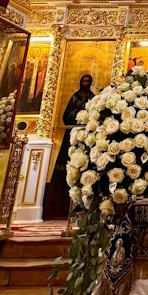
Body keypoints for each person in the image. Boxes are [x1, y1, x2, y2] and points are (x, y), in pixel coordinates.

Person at [46, 74, 95, 218]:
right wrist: (76, 113)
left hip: (86, 136)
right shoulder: (75, 97)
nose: (85, 83)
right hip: (72, 134)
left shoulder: (92, 97)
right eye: (83, 81)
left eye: (88, 81)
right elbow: (66, 115)